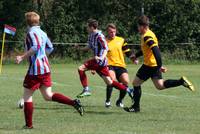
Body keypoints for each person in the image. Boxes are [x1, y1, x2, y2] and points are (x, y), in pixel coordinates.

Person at [15, 12, 84, 129]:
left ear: (27, 22)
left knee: (27, 96)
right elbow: (50, 48)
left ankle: (29, 125)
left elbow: (35, 46)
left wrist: (22, 57)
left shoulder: (31, 33)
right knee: (47, 95)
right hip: (45, 69)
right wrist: (42, 57)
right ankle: (73, 102)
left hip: (35, 71)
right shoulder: (43, 32)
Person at [124, 15, 195, 113]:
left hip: (149, 65)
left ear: (143, 26)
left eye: (139, 26)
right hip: (153, 65)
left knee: (136, 83)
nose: (138, 29)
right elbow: (146, 49)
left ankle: (136, 107)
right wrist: (136, 55)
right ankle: (181, 81)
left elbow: (156, 51)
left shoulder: (147, 36)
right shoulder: (149, 34)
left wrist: (160, 65)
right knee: (160, 85)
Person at [76, 19, 133, 99]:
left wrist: (101, 57)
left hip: (100, 61)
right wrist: (80, 49)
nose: (86, 28)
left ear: (92, 27)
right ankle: (128, 90)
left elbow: (106, 48)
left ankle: (86, 90)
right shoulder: (91, 35)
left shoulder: (100, 36)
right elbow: (89, 46)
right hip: (99, 62)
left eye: (87, 27)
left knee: (80, 69)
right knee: (109, 82)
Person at [105, 23, 138, 108]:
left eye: (114, 32)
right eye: (111, 32)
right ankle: (108, 101)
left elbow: (127, 51)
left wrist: (133, 58)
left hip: (120, 65)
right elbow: (99, 53)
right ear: (107, 32)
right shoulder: (104, 41)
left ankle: (119, 101)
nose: (113, 34)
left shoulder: (121, 40)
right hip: (109, 65)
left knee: (126, 82)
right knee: (111, 80)